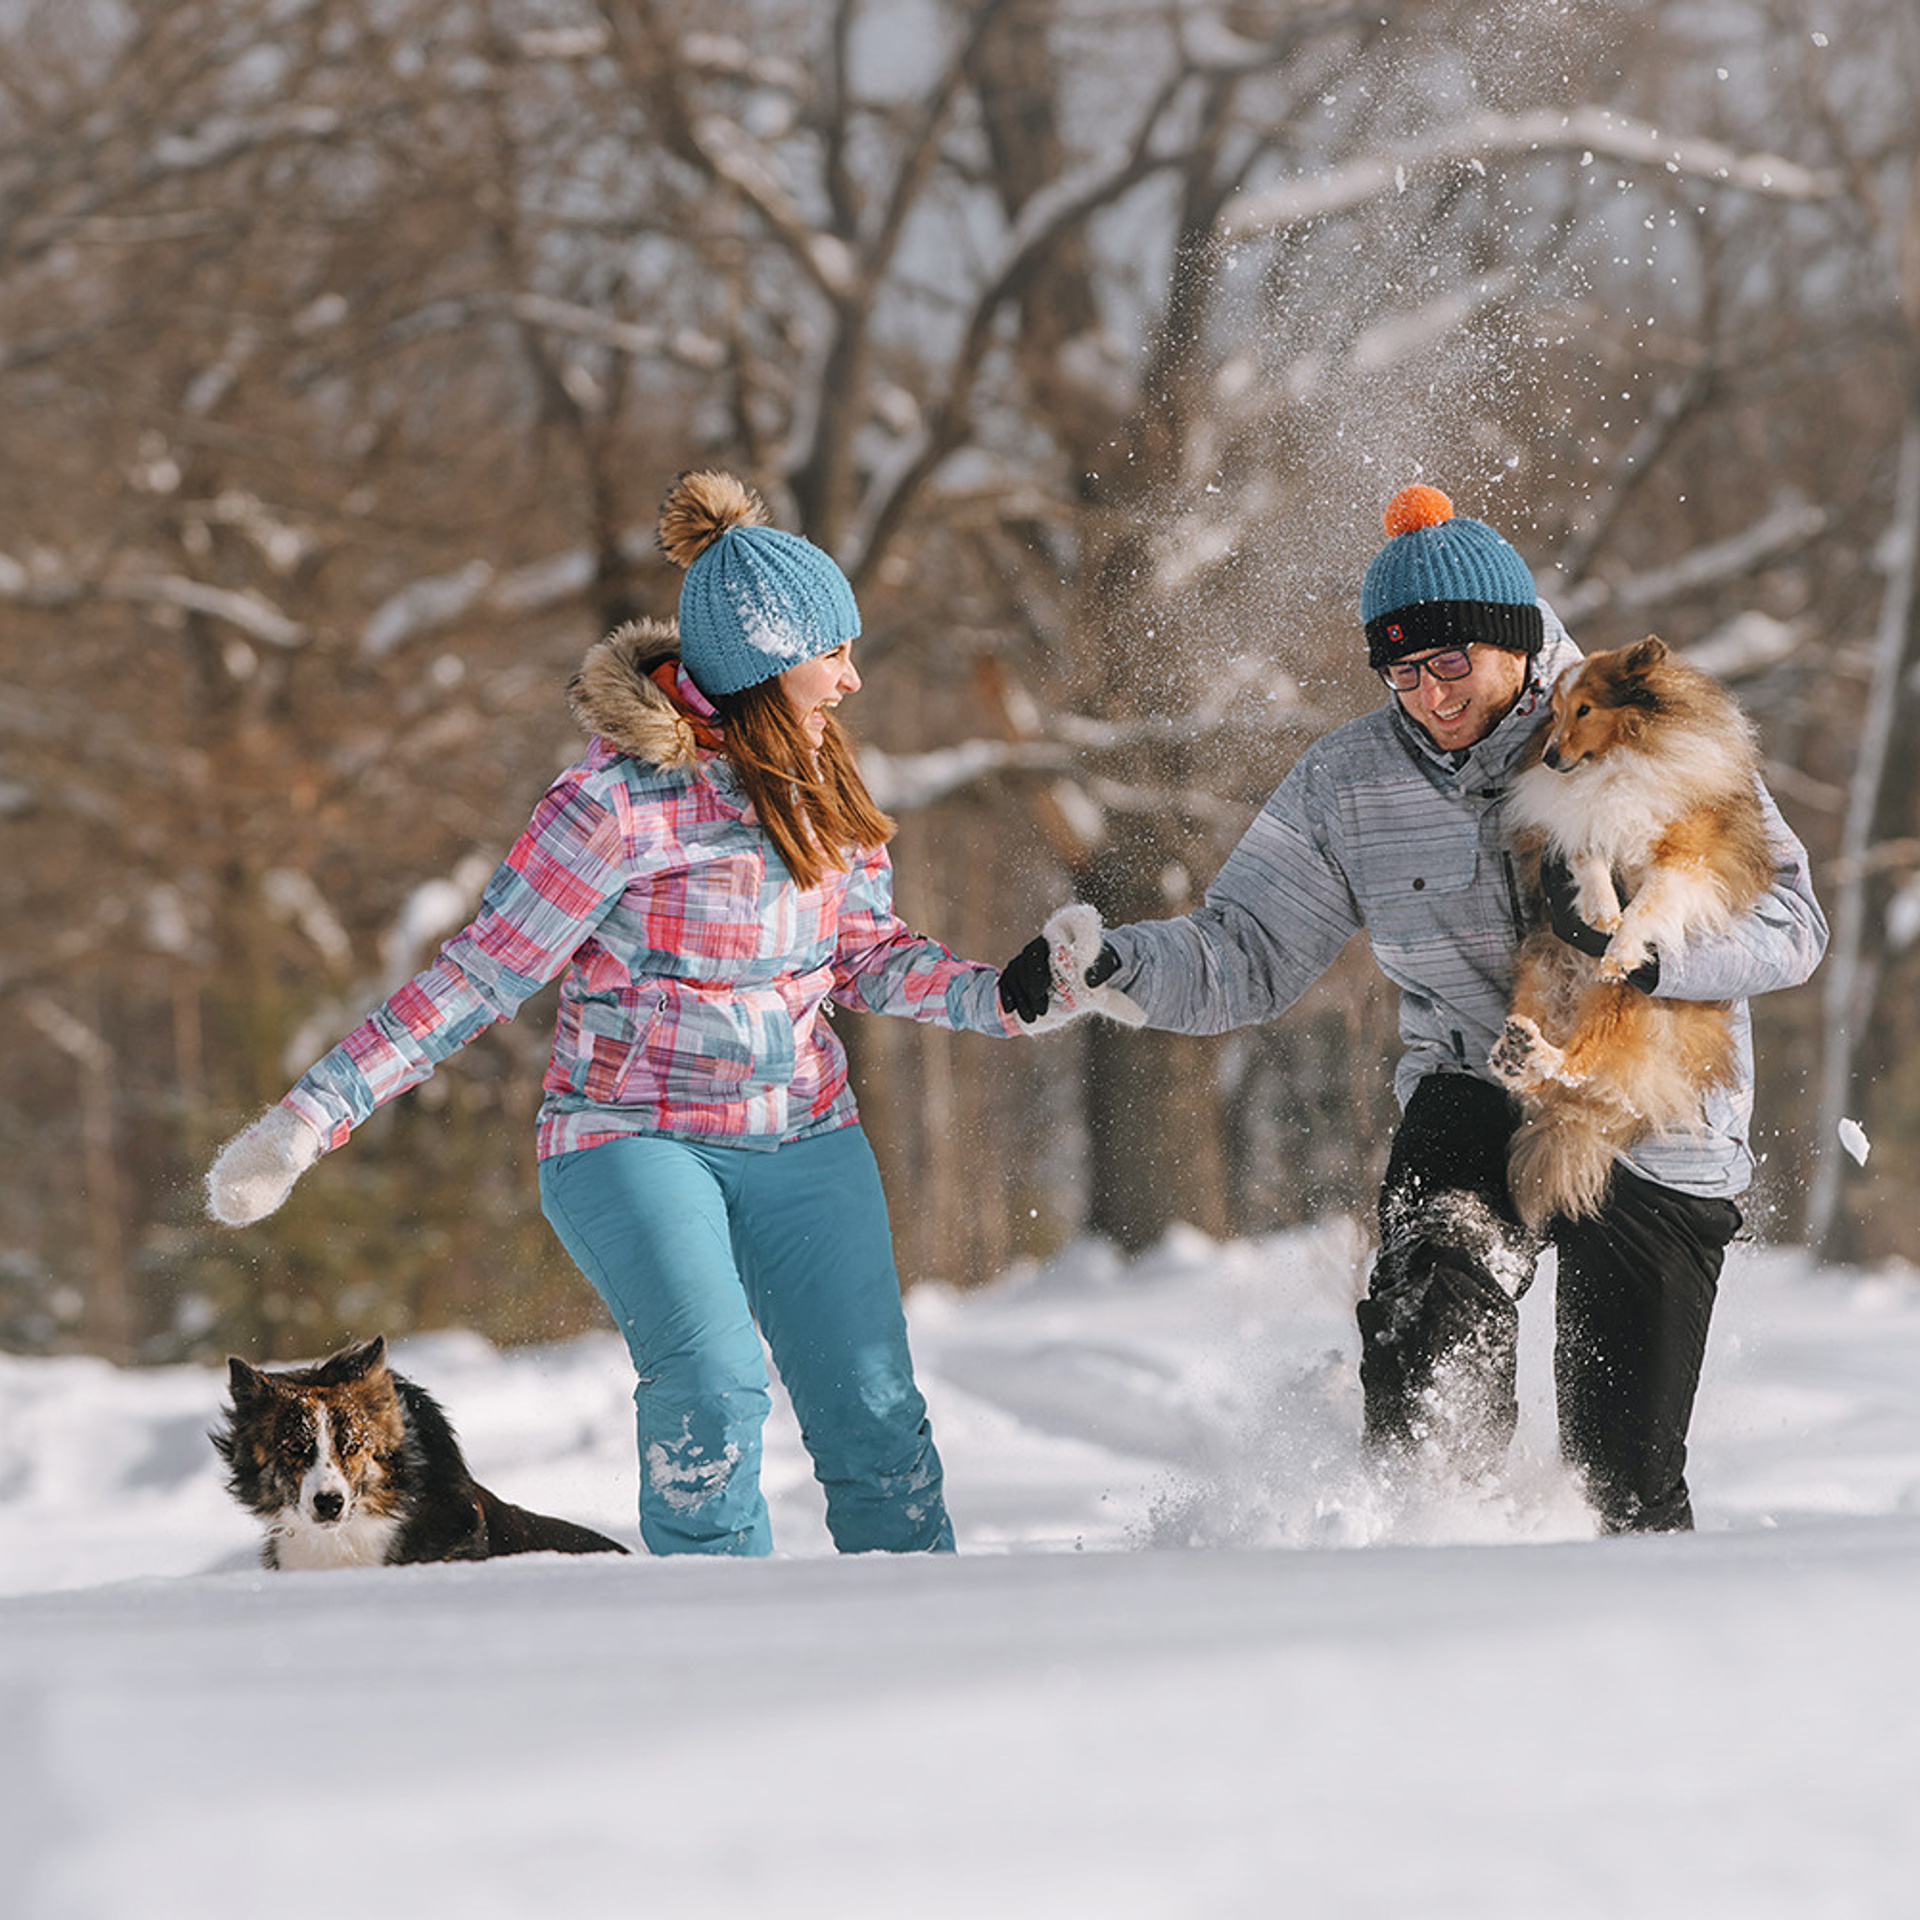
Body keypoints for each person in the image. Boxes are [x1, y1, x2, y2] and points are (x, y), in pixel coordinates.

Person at [207, 470, 1032, 1557]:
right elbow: (477, 976)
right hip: (628, 1137)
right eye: (833, 654)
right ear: (765, 666)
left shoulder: (823, 781)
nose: (853, 679)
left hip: (803, 1133)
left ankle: (930, 1655)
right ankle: (707, 1650)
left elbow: (866, 955)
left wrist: (1006, 998)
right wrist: (308, 1118)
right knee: (713, 1384)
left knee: (873, 1404)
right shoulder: (611, 810)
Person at [998, 484, 1827, 1533]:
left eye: (1452, 664)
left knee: (1626, 1484)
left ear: (1517, 644)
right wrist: (1106, 966)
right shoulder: (1348, 782)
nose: (1431, 696)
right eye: (1402, 670)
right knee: (1431, 1300)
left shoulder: (1637, 723)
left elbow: (1796, 928)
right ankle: (1437, 1538)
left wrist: (1647, 957)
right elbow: (1244, 952)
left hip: (1654, 1114)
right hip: (1479, 1081)